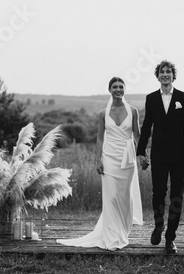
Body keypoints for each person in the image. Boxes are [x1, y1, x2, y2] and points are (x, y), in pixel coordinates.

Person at [56, 77, 143, 250]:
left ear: (124, 89)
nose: (118, 89)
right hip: (109, 157)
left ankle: (122, 231)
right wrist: (98, 159)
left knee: (125, 198)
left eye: (120, 86)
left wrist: (143, 154)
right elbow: (100, 137)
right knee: (110, 198)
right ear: (110, 90)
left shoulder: (133, 111)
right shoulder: (103, 113)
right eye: (114, 87)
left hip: (127, 159)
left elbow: (138, 135)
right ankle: (111, 237)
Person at [136, 60, 184, 255]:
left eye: (168, 72)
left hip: (180, 156)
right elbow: (146, 127)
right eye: (162, 72)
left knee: (177, 196)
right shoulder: (151, 98)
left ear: (173, 75)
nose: (165, 75)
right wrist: (140, 151)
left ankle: (170, 238)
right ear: (158, 75)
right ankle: (158, 226)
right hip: (159, 154)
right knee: (158, 194)